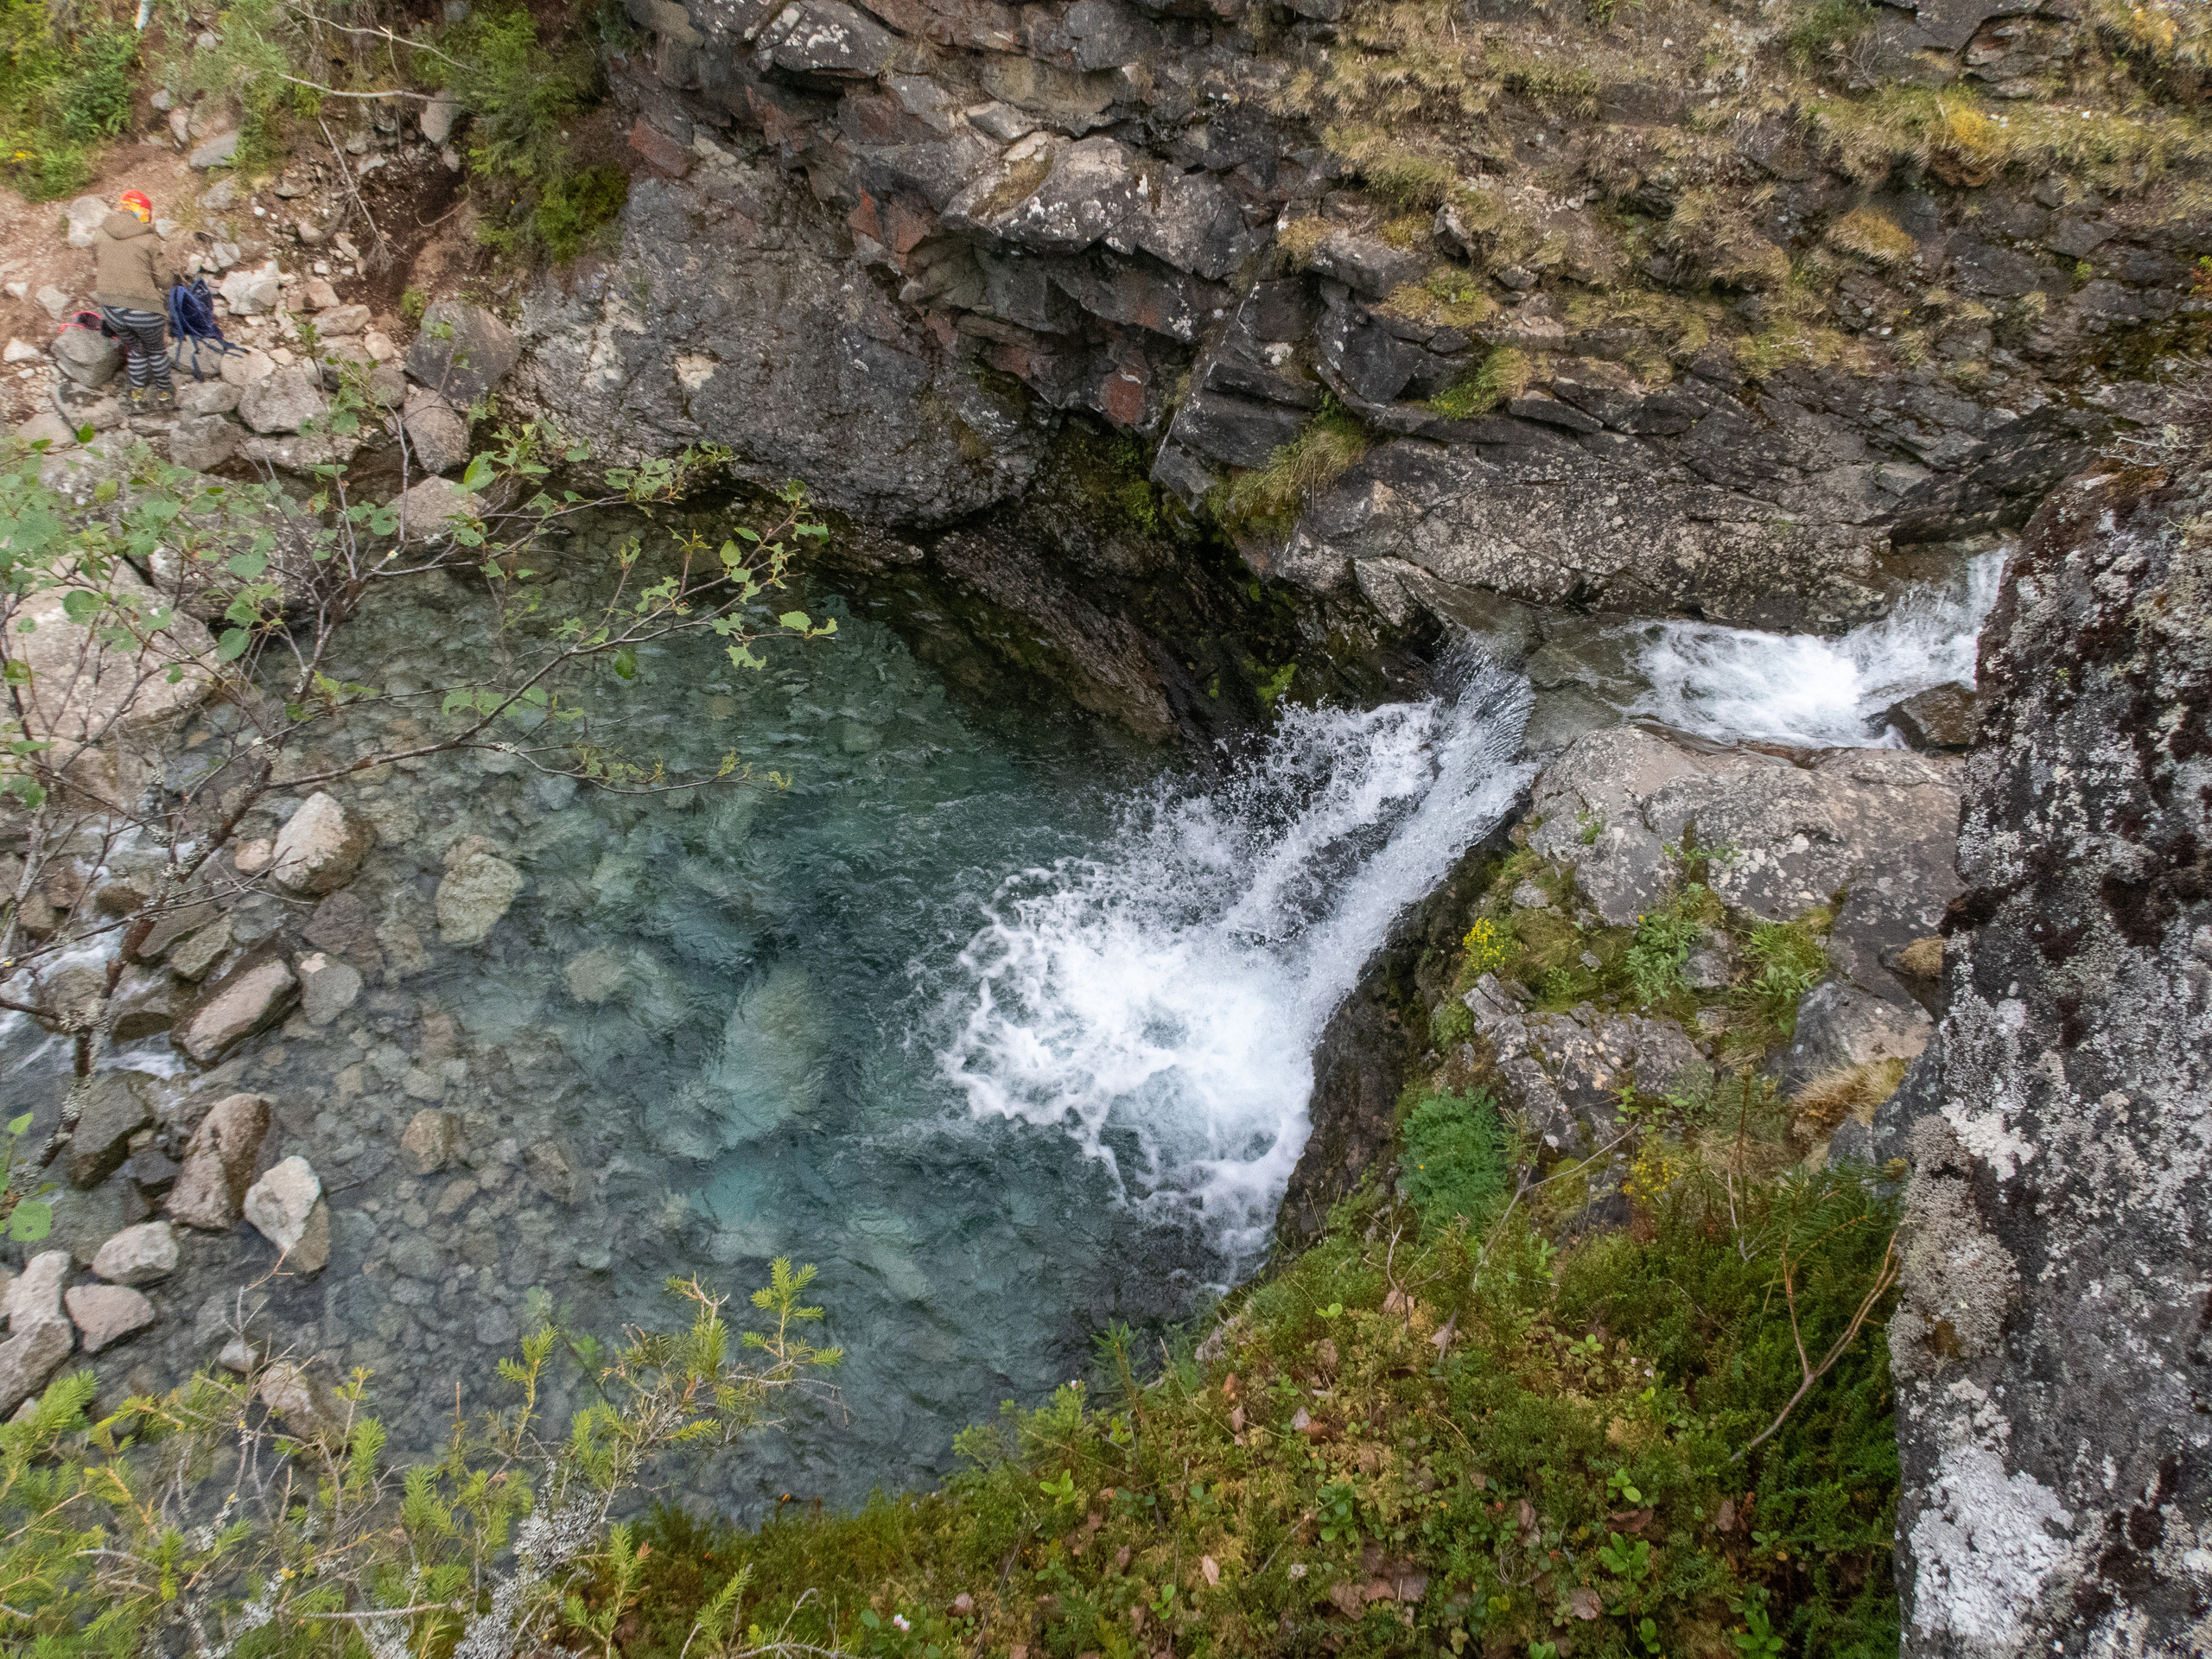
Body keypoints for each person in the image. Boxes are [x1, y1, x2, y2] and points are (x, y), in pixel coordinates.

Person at [91, 188, 176, 411]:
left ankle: (137, 398)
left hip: (110, 310)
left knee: (137, 349)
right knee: (156, 350)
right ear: (144, 213)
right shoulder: (148, 239)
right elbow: (163, 280)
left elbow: (100, 263)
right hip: (144, 309)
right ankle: (165, 395)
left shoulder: (100, 232)